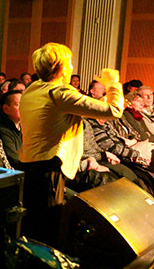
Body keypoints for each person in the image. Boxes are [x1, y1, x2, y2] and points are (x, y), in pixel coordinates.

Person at [19, 43, 123, 246]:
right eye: (69, 63)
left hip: (30, 163)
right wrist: (112, 85)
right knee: (49, 224)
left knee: (34, 221)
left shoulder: (32, 90)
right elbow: (114, 110)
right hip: (50, 166)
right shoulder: (60, 93)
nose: (71, 67)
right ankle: (47, 261)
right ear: (61, 67)